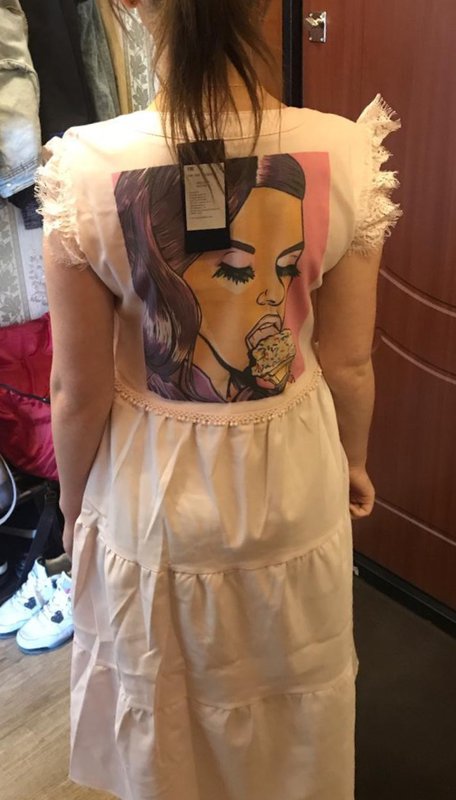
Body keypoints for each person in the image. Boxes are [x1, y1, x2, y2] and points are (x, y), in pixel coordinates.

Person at [37, 1, 401, 798]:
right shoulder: (346, 150)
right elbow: (348, 363)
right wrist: (355, 460)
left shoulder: (84, 167)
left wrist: (72, 502)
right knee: (288, 708)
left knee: (165, 705)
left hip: (150, 500)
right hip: (295, 484)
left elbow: (76, 390)